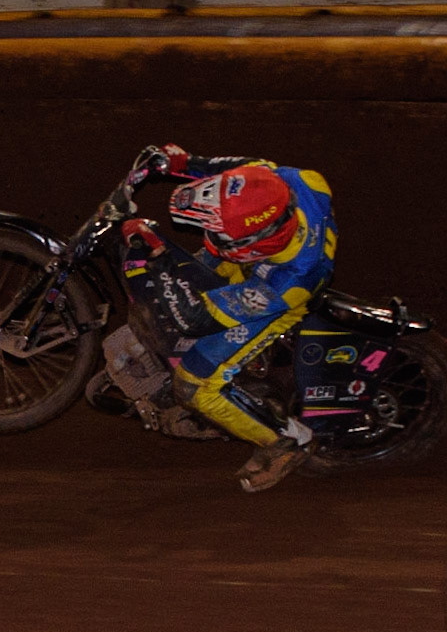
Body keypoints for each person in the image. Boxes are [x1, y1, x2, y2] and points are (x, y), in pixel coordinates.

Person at [123, 143, 337, 492]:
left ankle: (284, 442)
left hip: (279, 294)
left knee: (192, 384)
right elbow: (249, 170)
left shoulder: (285, 285)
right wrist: (186, 163)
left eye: (222, 234)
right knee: (194, 270)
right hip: (268, 259)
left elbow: (195, 318)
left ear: (253, 242)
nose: (211, 234)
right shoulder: (300, 182)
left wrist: (160, 258)